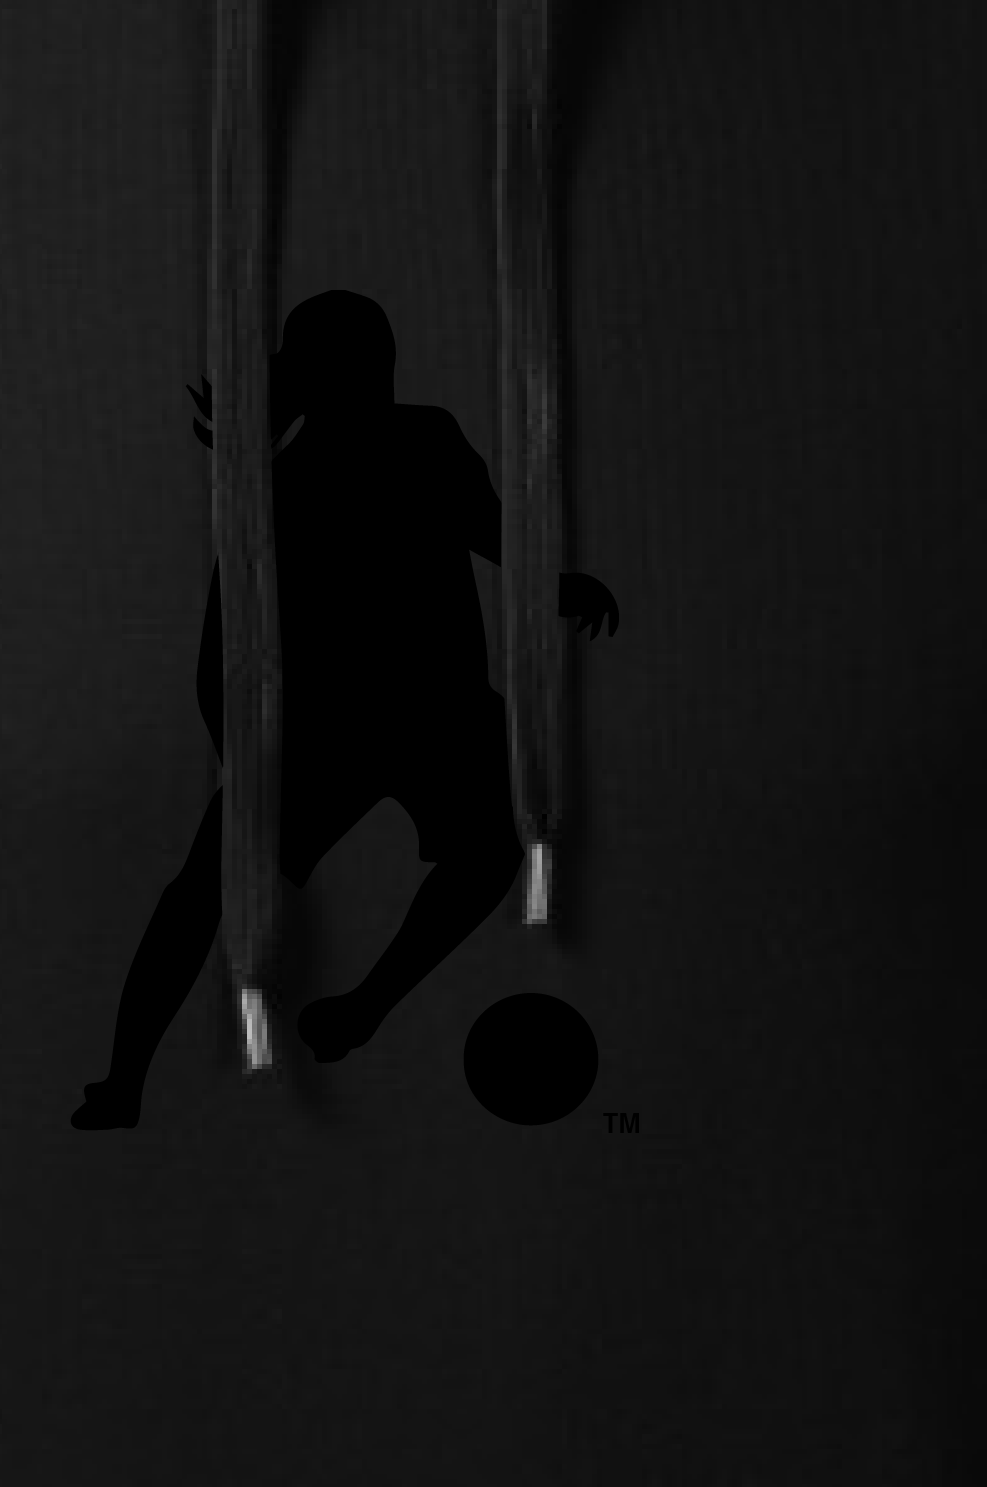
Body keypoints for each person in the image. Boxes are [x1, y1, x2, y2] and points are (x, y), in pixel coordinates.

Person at [71, 288, 617, 1124]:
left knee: (488, 841)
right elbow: (228, 625)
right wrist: (240, 751)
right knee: (203, 893)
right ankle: (133, 1076)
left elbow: (488, 528)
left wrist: (553, 584)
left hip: (417, 711)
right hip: (345, 722)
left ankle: (345, 1010)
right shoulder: (291, 479)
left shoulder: (401, 444)